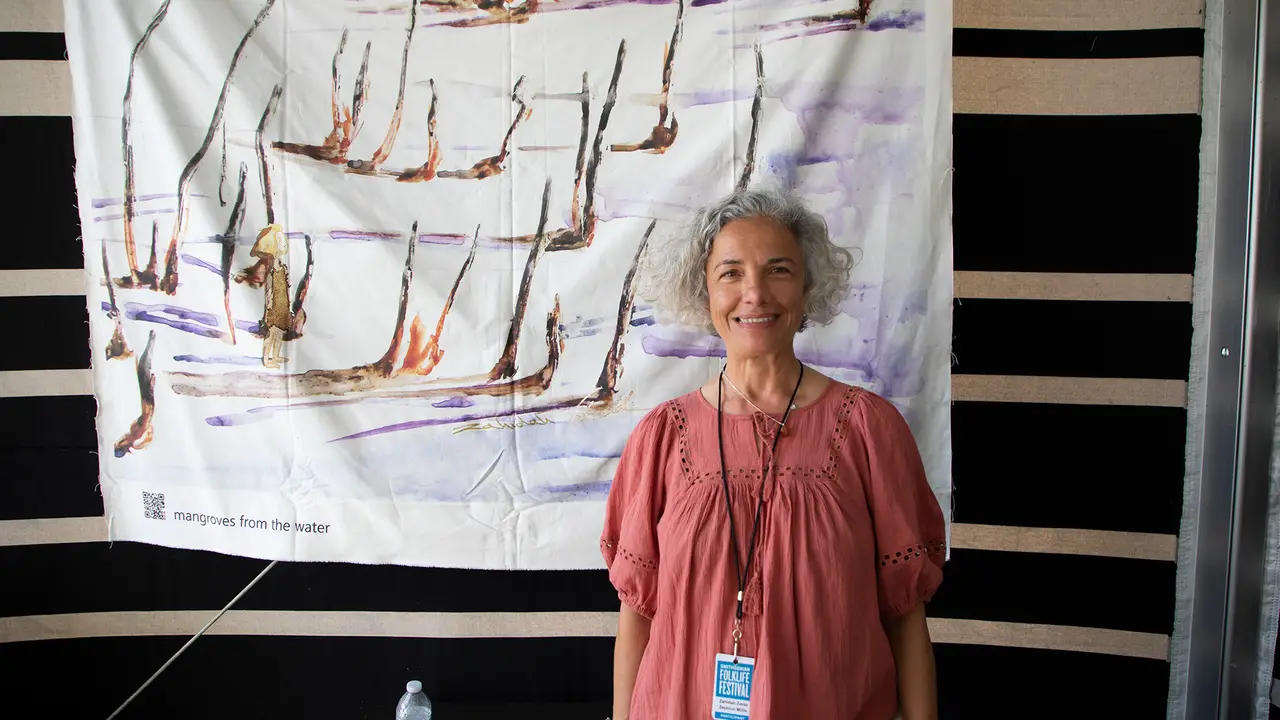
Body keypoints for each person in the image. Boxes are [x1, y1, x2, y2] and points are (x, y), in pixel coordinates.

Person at [601, 185, 947, 719]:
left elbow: (906, 615)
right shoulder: (661, 438)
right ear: (705, 291)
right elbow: (636, 616)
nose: (755, 293)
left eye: (779, 270)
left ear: (808, 286)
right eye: (731, 273)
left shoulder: (869, 430)